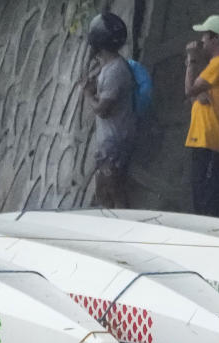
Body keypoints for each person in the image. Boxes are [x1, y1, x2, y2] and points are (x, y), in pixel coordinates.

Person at [183, 14, 219, 217]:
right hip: (204, 136)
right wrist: (198, 95)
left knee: (204, 192)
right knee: (202, 187)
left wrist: (191, 60)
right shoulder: (217, 64)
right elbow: (194, 95)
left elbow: (189, 90)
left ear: (216, 39)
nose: (202, 40)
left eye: (205, 35)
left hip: (209, 137)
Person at [84, 12, 136, 209]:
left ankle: (122, 230)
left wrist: (88, 94)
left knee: (112, 192)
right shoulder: (111, 66)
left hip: (114, 143)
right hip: (113, 140)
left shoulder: (115, 71)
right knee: (105, 192)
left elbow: (103, 110)